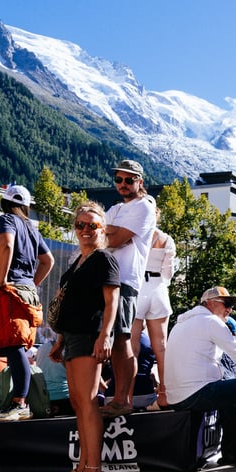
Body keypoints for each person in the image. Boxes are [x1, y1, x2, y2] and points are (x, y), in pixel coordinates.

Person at [46, 202, 120, 472]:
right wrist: (60, 340)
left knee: (87, 403)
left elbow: (112, 302)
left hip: (90, 335)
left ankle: (93, 471)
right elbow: (69, 306)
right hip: (73, 337)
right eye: (80, 225)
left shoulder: (104, 259)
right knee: (78, 403)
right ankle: (81, 467)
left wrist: (105, 335)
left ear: (102, 229)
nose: (86, 230)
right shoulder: (78, 261)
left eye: (92, 225)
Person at [165, 287, 236, 464]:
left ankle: (234, 453)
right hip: (197, 392)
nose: (230, 310)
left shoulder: (180, 323)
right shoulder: (211, 321)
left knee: (231, 393)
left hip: (176, 397)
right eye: (226, 304)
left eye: (231, 306)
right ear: (209, 303)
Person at [0, 184, 54, 422]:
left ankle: (20, 403)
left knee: (14, 346)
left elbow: (7, 243)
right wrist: (31, 284)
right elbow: (48, 260)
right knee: (15, 347)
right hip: (23, 291)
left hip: (9, 293)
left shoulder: (7, 219)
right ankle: (17, 401)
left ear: (4, 203)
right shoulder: (31, 228)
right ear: (27, 206)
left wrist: (3, 279)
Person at [103, 159, 156, 417]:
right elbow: (101, 236)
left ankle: (123, 400)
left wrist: (109, 232)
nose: (123, 184)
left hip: (125, 280)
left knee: (122, 340)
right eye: (119, 179)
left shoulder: (145, 206)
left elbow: (114, 239)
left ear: (140, 181)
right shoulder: (115, 208)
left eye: (129, 179)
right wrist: (109, 232)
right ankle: (117, 398)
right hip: (106, 278)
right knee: (111, 341)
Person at [131, 209, 175, 407]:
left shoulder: (134, 236)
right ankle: (164, 393)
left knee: (132, 346)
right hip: (158, 289)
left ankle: (127, 395)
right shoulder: (166, 239)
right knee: (162, 346)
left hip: (138, 287)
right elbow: (168, 273)